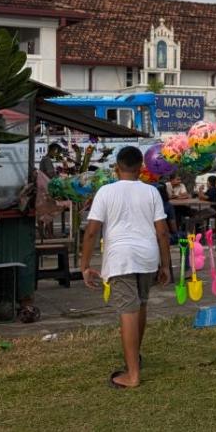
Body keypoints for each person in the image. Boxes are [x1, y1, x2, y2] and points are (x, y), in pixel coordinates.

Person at [81, 146, 171, 389]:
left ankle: (132, 375)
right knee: (140, 306)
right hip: (147, 257)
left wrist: (85, 265)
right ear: (141, 168)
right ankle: (135, 359)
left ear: (116, 168)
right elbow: (162, 232)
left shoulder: (105, 192)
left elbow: (91, 232)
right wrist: (166, 265)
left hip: (121, 258)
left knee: (128, 312)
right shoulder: (151, 191)